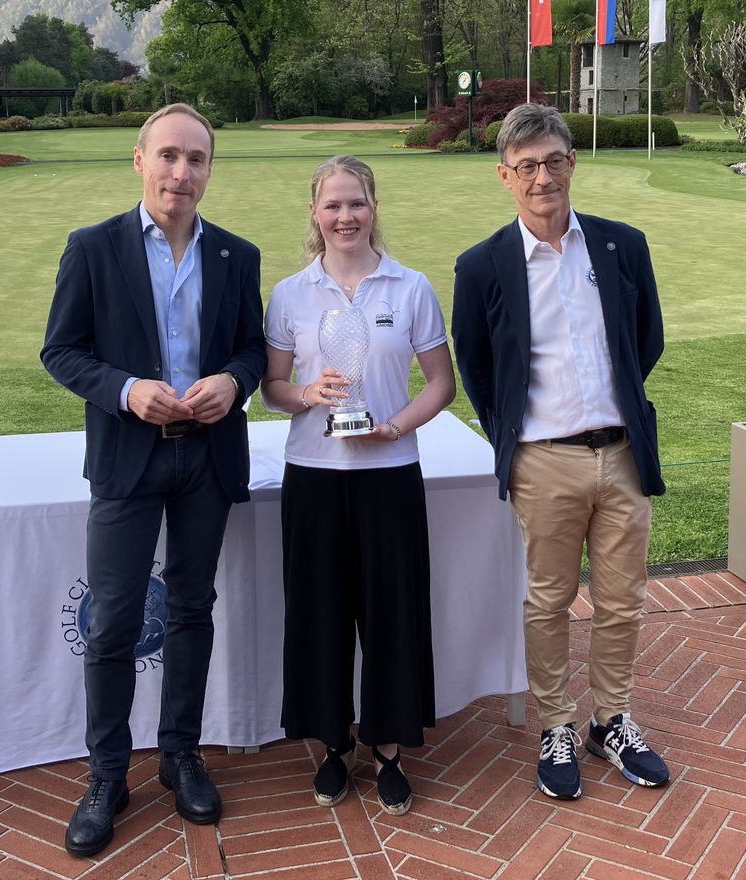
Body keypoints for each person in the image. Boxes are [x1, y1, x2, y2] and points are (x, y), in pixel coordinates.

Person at [41, 103, 265, 857]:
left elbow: (253, 348)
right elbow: (61, 351)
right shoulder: (93, 248)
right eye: (168, 155)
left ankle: (180, 754)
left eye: (196, 159)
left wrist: (234, 381)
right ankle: (107, 775)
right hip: (128, 459)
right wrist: (127, 389)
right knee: (111, 620)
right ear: (140, 160)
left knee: (193, 608)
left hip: (206, 458)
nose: (181, 172)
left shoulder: (235, 255)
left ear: (209, 169)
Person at [451, 103, 670, 801]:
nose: (542, 177)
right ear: (504, 176)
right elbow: (477, 367)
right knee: (549, 601)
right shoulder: (481, 266)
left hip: (623, 454)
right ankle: (555, 725)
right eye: (526, 167)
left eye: (553, 161)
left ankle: (611, 720)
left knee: (623, 599)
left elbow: (646, 340)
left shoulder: (621, 246)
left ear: (572, 163)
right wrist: (517, 440)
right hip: (544, 461)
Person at [261, 155, 456, 815]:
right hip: (313, 475)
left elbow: (441, 383)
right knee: (318, 613)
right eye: (333, 205)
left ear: (373, 207)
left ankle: (389, 748)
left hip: (388, 475)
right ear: (314, 213)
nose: (345, 216)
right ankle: (334, 745)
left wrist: (396, 426)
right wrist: (307, 393)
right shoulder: (291, 293)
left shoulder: (410, 287)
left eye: (356, 203)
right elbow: (272, 388)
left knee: (391, 613)